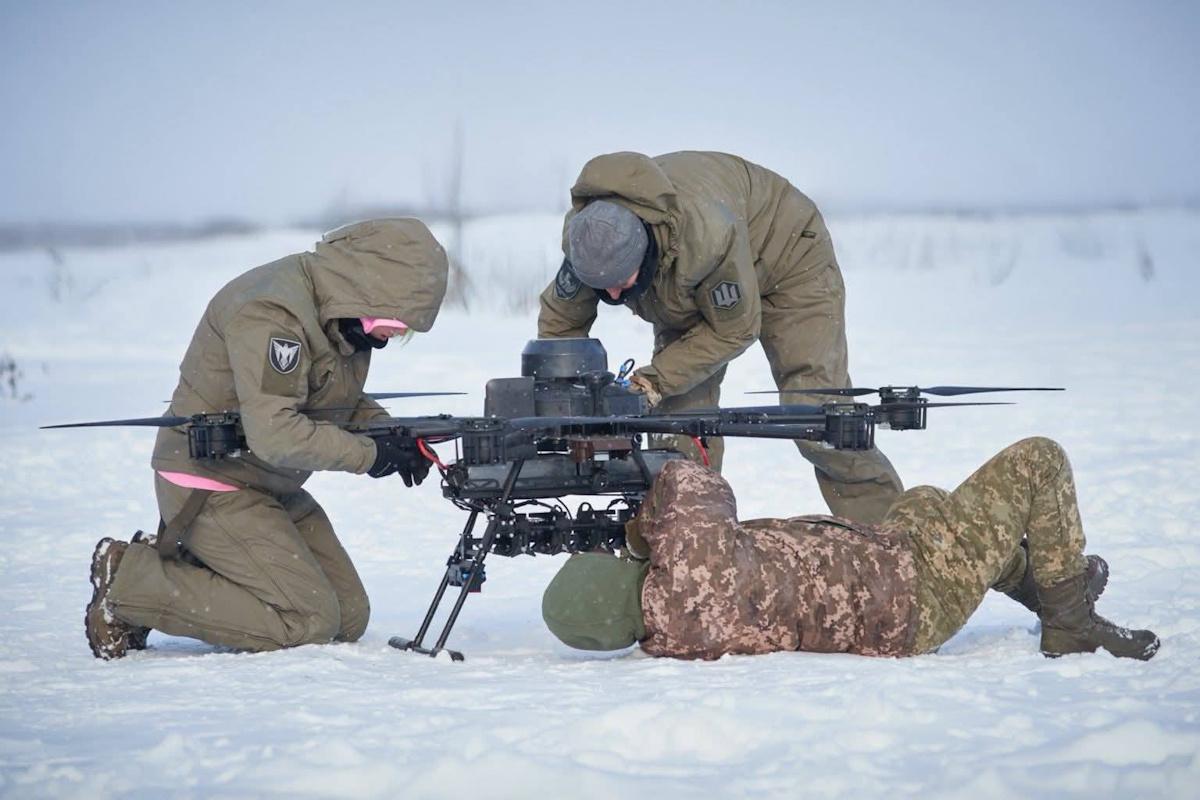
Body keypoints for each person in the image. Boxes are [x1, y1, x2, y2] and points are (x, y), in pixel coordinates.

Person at [85, 218, 449, 659]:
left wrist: (396, 437)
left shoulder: (337, 312)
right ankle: (132, 584)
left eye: (407, 328)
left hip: (270, 485)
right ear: (365, 286)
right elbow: (275, 432)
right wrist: (370, 455)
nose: (395, 333)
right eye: (394, 320)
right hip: (212, 487)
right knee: (307, 622)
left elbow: (334, 399)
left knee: (348, 617)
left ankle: (208, 565)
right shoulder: (272, 313)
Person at [541, 437, 1159, 662]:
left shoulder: (671, 633)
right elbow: (693, 479)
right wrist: (635, 529)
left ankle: (1049, 586)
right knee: (1038, 459)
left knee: (924, 500)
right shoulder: (686, 569)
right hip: (914, 589)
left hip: (889, 575)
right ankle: (1070, 621)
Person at [538, 150, 902, 526]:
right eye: (601, 287)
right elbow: (560, 323)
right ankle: (685, 552)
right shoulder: (591, 241)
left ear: (644, 252)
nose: (613, 295)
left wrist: (653, 381)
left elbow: (735, 328)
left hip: (787, 255)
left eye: (620, 284)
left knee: (817, 414)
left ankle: (893, 539)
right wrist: (561, 399)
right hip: (685, 291)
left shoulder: (705, 236)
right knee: (676, 430)